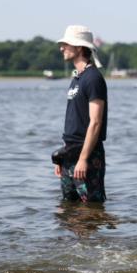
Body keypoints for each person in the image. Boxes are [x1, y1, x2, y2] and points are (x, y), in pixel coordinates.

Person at [53, 25, 108, 203]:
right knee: (68, 210)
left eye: (66, 44)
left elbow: (95, 122)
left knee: (91, 210)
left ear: (79, 47)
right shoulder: (77, 78)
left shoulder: (93, 78)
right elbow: (73, 120)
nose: (62, 48)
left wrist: (83, 159)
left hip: (88, 156)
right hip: (70, 155)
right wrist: (63, 158)